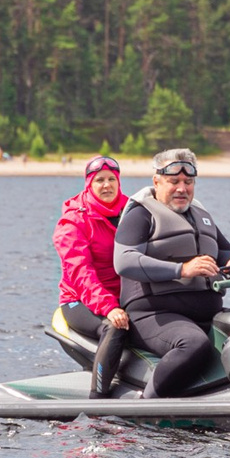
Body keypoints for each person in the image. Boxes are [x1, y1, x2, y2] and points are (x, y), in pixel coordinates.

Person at [113, 145, 230, 398]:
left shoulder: (201, 215)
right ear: (157, 181)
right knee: (192, 344)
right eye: (173, 181)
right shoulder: (141, 214)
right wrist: (183, 269)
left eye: (188, 182)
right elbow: (124, 261)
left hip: (206, 312)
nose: (182, 188)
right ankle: (147, 405)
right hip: (153, 314)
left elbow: (224, 254)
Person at [53, 154, 132, 395]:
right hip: (81, 301)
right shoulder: (72, 222)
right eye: (100, 180)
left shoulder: (133, 211)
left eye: (111, 179)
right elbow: (81, 274)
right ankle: (97, 396)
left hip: (124, 297)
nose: (106, 185)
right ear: (89, 184)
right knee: (114, 327)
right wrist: (109, 308)